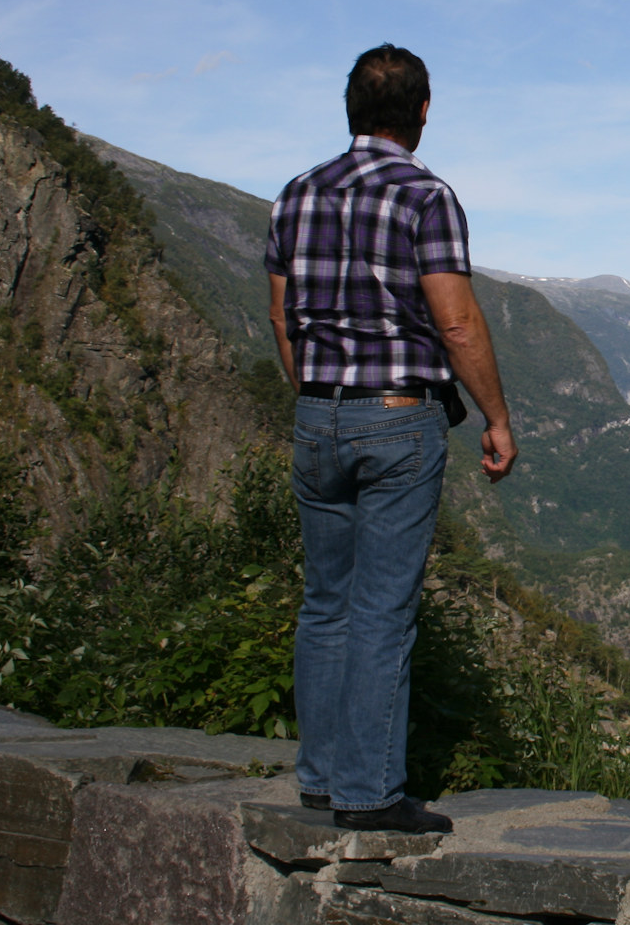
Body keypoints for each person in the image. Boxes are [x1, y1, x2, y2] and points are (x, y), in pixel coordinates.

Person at [264, 43, 518, 834]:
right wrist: (496, 419)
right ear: (423, 110)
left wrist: (310, 391)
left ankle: (319, 776)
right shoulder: (426, 197)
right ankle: (369, 793)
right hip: (399, 413)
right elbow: (455, 320)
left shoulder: (295, 194)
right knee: (382, 609)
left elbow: (281, 317)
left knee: (325, 602)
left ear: (350, 109)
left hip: (316, 414)